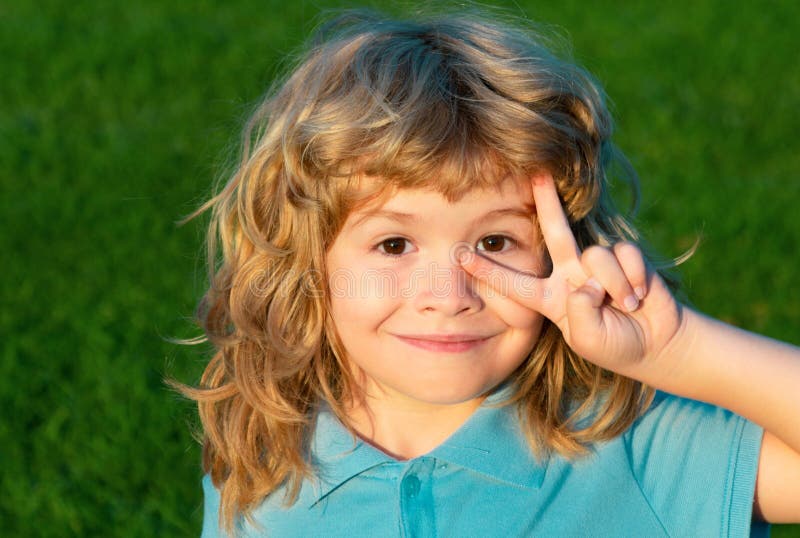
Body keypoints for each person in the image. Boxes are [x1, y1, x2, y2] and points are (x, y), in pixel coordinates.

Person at [178, 9, 800, 537]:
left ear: (562, 253)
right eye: (394, 244)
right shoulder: (264, 458)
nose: (448, 297)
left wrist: (679, 350)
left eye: (496, 240)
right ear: (309, 259)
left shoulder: (633, 444)